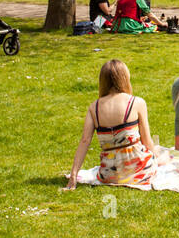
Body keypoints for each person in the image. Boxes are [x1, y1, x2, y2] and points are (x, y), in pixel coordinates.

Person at [65, 59, 158, 190]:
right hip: (139, 172)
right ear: (125, 77)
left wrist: (73, 176)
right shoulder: (137, 103)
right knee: (163, 154)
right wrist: (156, 160)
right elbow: (147, 142)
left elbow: (85, 141)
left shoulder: (94, 107)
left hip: (109, 174)